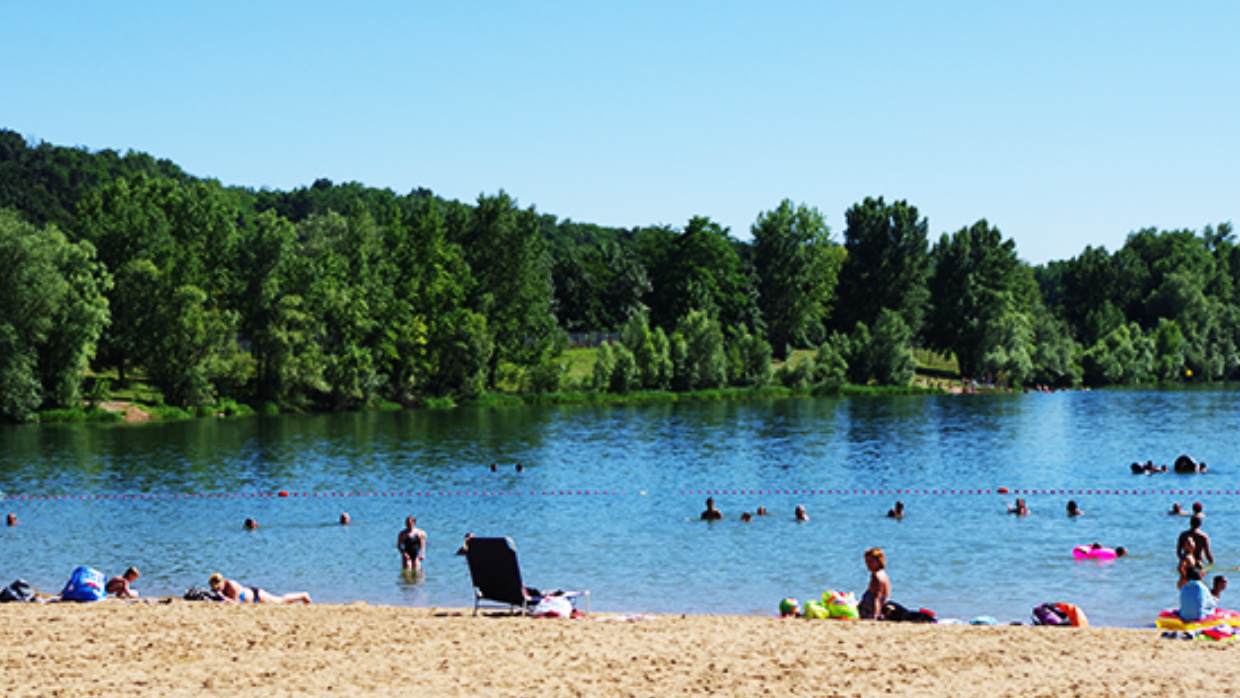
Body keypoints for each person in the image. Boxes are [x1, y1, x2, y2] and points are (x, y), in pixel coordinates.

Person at [208, 573, 311, 604]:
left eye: (218, 588)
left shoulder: (231, 585)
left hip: (257, 596)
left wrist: (223, 598)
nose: (217, 590)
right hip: (252, 599)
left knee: (281, 601)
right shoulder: (220, 589)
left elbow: (237, 603)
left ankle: (303, 595)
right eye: (215, 589)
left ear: (223, 582)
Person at [859, 547, 891, 620]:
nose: (868, 564)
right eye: (866, 562)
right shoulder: (883, 573)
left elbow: (877, 597)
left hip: (870, 609)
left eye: (871, 562)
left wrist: (875, 615)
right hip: (881, 605)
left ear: (879, 561)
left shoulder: (876, 576)